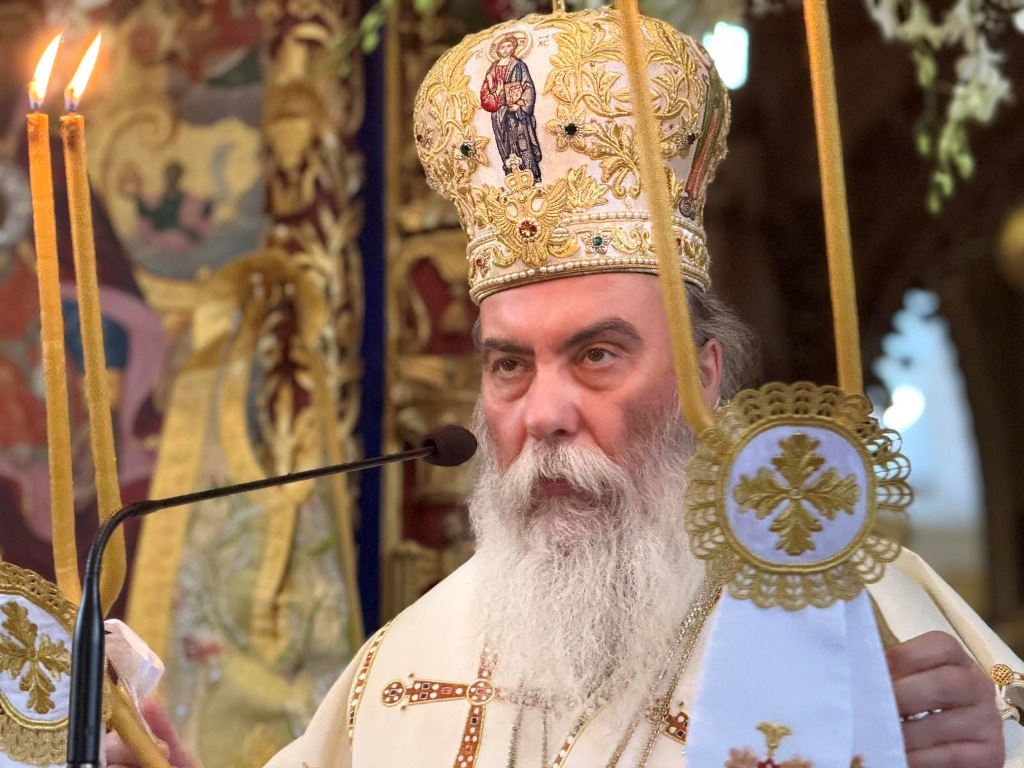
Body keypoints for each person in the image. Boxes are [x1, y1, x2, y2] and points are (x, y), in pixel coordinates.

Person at [108, 7, 1024, 767]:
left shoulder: (855, 619)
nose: (542, 414)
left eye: (597, 356)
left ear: (705, 377)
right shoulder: (405, 661)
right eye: (509, 365)